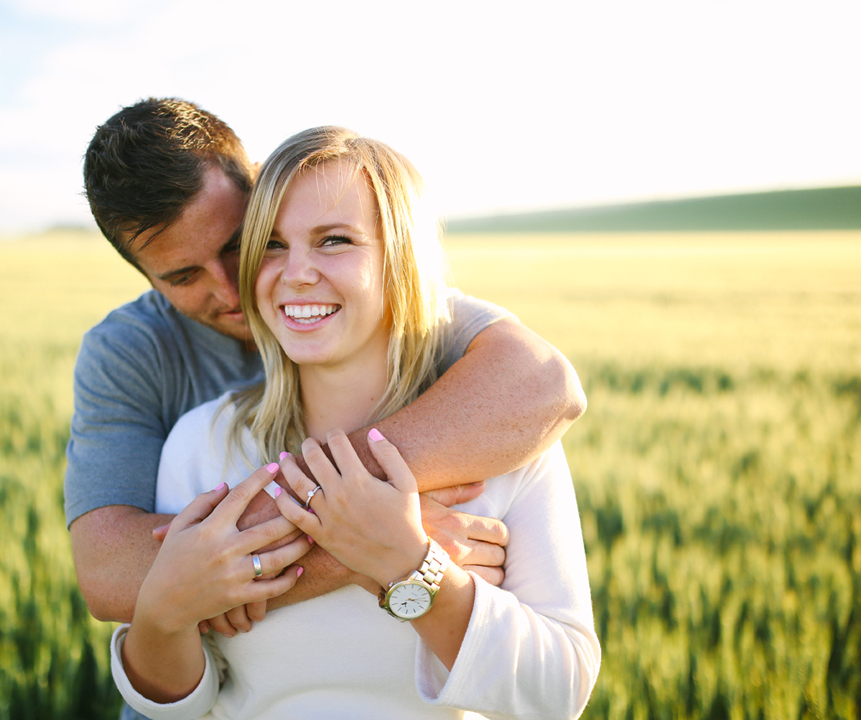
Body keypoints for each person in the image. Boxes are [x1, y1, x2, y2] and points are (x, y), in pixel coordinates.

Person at [110, 127, 600, 718]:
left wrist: (410, 568)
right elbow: (185, 704)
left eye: (334, 240)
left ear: (401, 259)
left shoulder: (504, 445)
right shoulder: (203, 443)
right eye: (269, 245)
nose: (294, 272)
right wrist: (161, 613)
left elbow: (560, 695)